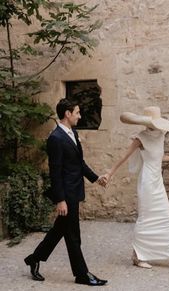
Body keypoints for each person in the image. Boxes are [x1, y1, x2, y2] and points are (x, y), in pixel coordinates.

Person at [24, 98, 108, 286]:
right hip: (66, 195)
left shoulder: (72, 133)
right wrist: (60, 200)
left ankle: (34, 258)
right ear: (67, 114)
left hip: (74, 191)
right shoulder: (55, 138)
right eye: (77, 112)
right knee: (72, 234)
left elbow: (79, 163)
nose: (80, 115)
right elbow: (55, 172)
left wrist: (96, 178)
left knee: (60, 230)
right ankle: (82, 274)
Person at [104, 106, 169, 269]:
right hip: (147, 182)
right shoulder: (140, 137)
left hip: (157, 181)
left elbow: (158, 156)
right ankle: (137, 255)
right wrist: (109, 174)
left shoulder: (161, 135)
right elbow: (124, 156)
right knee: (146, 218)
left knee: (164, 217)